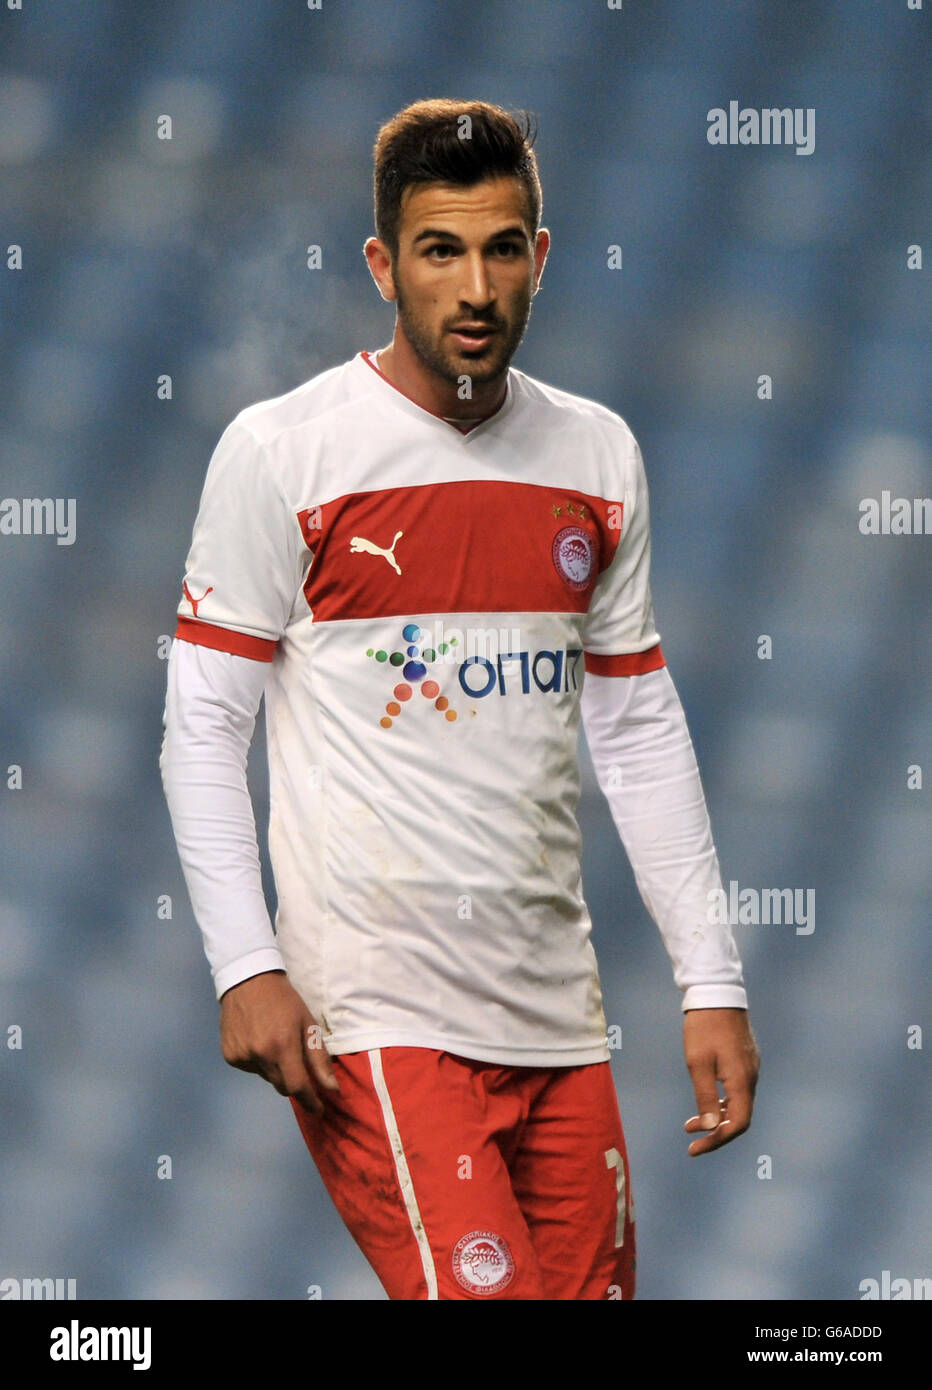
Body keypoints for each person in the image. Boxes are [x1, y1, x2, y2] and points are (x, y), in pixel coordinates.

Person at [160, 98, 760, 1302]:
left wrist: (712, 980)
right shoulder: (287, 456)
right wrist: (243, 961)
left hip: (558, 1022)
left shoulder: (595, 459)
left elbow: (635, 728)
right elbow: (203, 725)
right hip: (379, 1016)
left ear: (540, 256)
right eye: (440, 250)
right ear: (385, 264)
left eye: (499, 248)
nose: (473, 287)